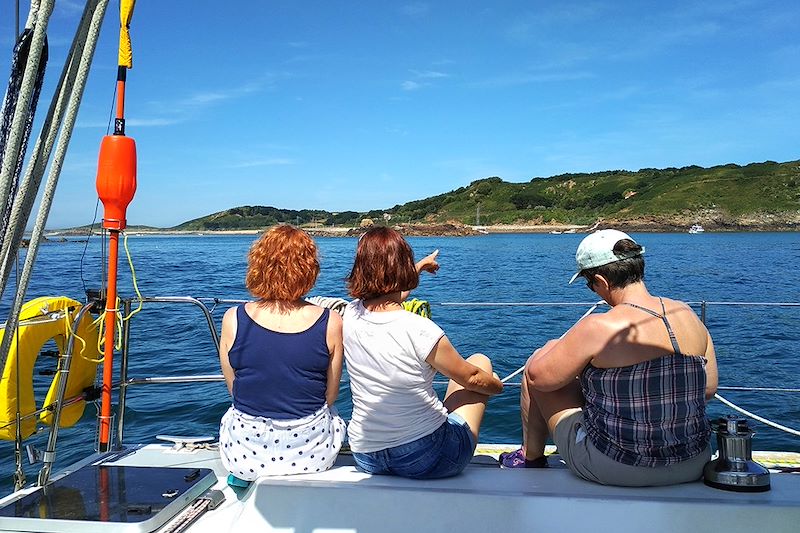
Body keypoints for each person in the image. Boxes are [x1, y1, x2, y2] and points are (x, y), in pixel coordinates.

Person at [501, 229, 717, 487]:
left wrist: (551, 347)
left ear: (602, 281)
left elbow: (540, 379)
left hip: (618, 467)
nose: (592, 290)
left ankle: (530, 457)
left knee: (536, 364)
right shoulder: (687, 313)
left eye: (589, 284)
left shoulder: (598, 327)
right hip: (693, 462)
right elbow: (708, 389)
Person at [343, 226, 504, 479]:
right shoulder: (420, 329)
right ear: (402, 269)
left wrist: (418, 268)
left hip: (367, 456)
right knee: (479, 362)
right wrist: (498, 386)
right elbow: (472, 378)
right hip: (427, 458)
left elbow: (387, 295)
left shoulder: (350, 314)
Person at [218, 225, 346, 482]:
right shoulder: (331, 321)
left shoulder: (233, 318)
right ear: (309, 269)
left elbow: (235, 388)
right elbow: (330, 397)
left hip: (244, 457)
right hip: (312, 457)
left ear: (258, 265)